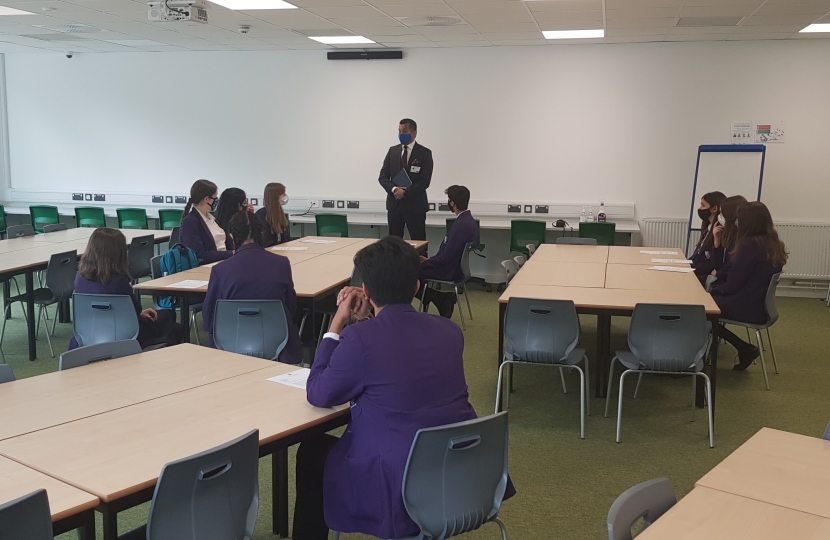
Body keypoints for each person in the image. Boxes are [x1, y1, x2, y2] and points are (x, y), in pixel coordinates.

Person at [292, 236, 513, 540]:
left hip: (395, 478)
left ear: (366, 291)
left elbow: (319, 392)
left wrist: (338, 323)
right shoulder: (449, 332)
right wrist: (372, 318)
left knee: (312, 450)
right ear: (417, 287)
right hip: (459, 469)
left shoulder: (359, 340)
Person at [202, 211, 302, 364]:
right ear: (261, 233)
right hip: (278, 346)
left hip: (229, 347)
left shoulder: (220, 270)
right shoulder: (281, 264)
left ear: (231, 236)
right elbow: (291, 309)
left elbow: (209, 320)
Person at [68, 228, 181, 350]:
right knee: (168, 317)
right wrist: (140, 313)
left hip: (89, 333)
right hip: (123, 333)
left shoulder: (79, 277)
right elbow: (134, 309)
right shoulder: (118, 281)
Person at [711, 202, 787, 371]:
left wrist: (710, 292)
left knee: (700, 308)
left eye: (739, 219)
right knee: (704, 306)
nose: (736, 222)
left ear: (748, 222)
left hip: (747, 305)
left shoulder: (750, 245)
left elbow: (732, 285)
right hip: (759, 305)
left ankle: (742, 348)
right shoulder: (771, 242)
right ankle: (743, 348)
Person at [418, 185, 477, 319]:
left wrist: (428, 262)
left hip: (450, 270)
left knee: (407, 271)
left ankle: (440, 299)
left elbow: (446, 258)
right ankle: (440, 298)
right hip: (454, 267)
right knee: (413, 267)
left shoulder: (461, 225)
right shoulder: (467, 220)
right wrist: (429, 260)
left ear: (452, 203)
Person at [377, 118, 433, 240]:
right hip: (395, 205)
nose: (401, 134)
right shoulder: (393, 151)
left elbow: (425, 181)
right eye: (399, 131)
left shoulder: (425, 153)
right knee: (394, 244)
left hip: (415, 205)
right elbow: (383, 177)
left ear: (414, 133)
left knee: (419, 241)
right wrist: (394, 189)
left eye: (404, 131)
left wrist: (405, 193)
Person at [180, 179, 233, 264]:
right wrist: (231, 253)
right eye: (215, 197)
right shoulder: (190, 221)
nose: (216, 200)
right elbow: (200, 255)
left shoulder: (211, 218)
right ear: (206, 199)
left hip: (224, 261)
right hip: (210, 265)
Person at [709, 195, 748, 286]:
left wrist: (718, 273)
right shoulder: (730, 235)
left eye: (722, 213)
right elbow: (717, 266)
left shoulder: (740, 239)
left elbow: (731, 269)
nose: (720, 216)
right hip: (725, 282)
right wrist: (717, 242)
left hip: (731, 286)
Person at [690, 191, 726, 282]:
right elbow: (697, 256)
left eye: (703, 205)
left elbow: (711, 264)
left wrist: (690, 266)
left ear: (714, 208)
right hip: (697, 270)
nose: (700, 208)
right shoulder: (707, 227)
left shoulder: (719, 231)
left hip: (705, 275)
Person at [256, 182, 291, 247]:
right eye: (283, 194)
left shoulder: (280, 213)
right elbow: (265, 242)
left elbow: (285, 238)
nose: (285, 196)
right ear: (275, 197)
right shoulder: (261, 215)